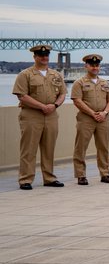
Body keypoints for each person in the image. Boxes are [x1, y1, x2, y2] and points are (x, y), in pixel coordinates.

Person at [13, 44, 66, 189]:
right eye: (41, 55)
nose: (44, 58)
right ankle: (25, 179)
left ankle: (49, 178)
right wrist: (42, 106)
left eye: (46, 55)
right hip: (31, 115)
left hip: (51, 115)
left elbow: (62, 93)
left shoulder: (56, 75)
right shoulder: (25, 74)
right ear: (35, 57)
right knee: (29, 149)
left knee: (49, 148)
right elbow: (22, 96)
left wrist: (54, 106)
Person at [71, 53, 109, 185]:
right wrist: (92, 113)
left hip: (103, 119)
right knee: (81, 147)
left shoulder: (105, 83)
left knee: (103, 147)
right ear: (86, 66)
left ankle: (105, 173)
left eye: (97, 65)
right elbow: (77, 101)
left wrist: (104, 113)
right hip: (86, 119)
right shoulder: (79, 83)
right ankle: (81, 175)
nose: (95, 67)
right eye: (92, 65)